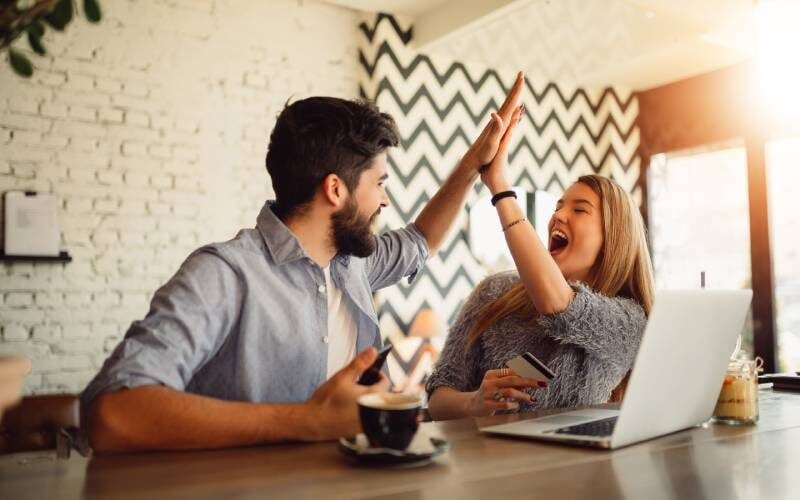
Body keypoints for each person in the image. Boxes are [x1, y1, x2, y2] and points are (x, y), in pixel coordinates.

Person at [81, 74, 527, 452]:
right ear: (336, 189)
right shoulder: (224, 274)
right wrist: (309, 420)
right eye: (379, 182)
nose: (385, 199)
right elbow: (111, 413)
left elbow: (421, 239)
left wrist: (476, 163)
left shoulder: (352, 263)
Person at [425, 104, 655, 420]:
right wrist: (473, 402)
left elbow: (561, 306)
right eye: (559, 206)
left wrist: (500, 187)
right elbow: (438, 400)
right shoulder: (494, 291)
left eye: (579, 209)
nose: (558, 215)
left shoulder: (630, 320)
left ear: (613, 238)